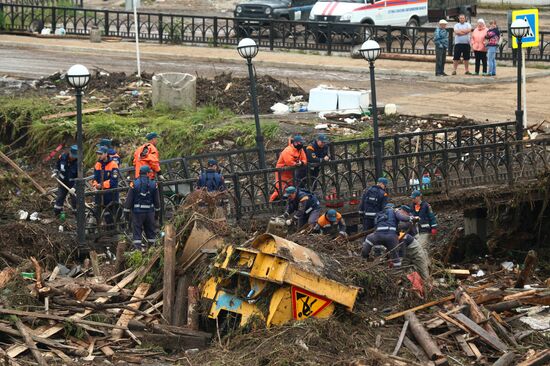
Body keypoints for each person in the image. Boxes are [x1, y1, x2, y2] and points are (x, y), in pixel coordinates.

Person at [124, 166, 160, 251]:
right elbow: (157, 201)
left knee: (137, 233)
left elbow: (129, 200)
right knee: (151, 233)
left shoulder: (134, 184)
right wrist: (157, 213)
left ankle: (138, 252)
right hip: (150, 213)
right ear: (147, 173)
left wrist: (126, 213)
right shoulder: (154, 184)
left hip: (137, 213)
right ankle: (152, 251)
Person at [270, 135, 307, 201]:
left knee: (290, 189)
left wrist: (301, 163)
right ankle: (271, 202)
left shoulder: (300, 150)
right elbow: (289, 162)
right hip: (282, 172)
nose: (302, 144)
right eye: (300, 143)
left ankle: (286, 203)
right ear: (295, 143)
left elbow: (305, 160)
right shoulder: (287, 150)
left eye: (302, 143)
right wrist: (297, 164)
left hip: (291, 172)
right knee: (280, 190)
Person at [93, 146, 120, 224]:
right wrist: (95, 185)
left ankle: (111, 229)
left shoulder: (114, 164)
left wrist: (101, 185)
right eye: (98, 154)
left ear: (106, 154)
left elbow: (113, 181)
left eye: (100, 154)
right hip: (99, 192)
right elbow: (95, 178)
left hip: (111, 194)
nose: (99, 155)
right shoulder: (97, 164)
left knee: (110, 214)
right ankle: (97, 227)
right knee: (97, 212)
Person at [53, 145, 78, 218]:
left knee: (75, 201)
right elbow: (57, 165)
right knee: (60, 198)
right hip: (63, 182)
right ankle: (57, 215)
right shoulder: (62, 157)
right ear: (69, 152)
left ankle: (77, 218)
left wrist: (75, 188)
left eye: (75, 156)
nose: (73, 157)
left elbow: (80, 177)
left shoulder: (79, 163)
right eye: (72, 155)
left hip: (73, 184)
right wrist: (56, 171)